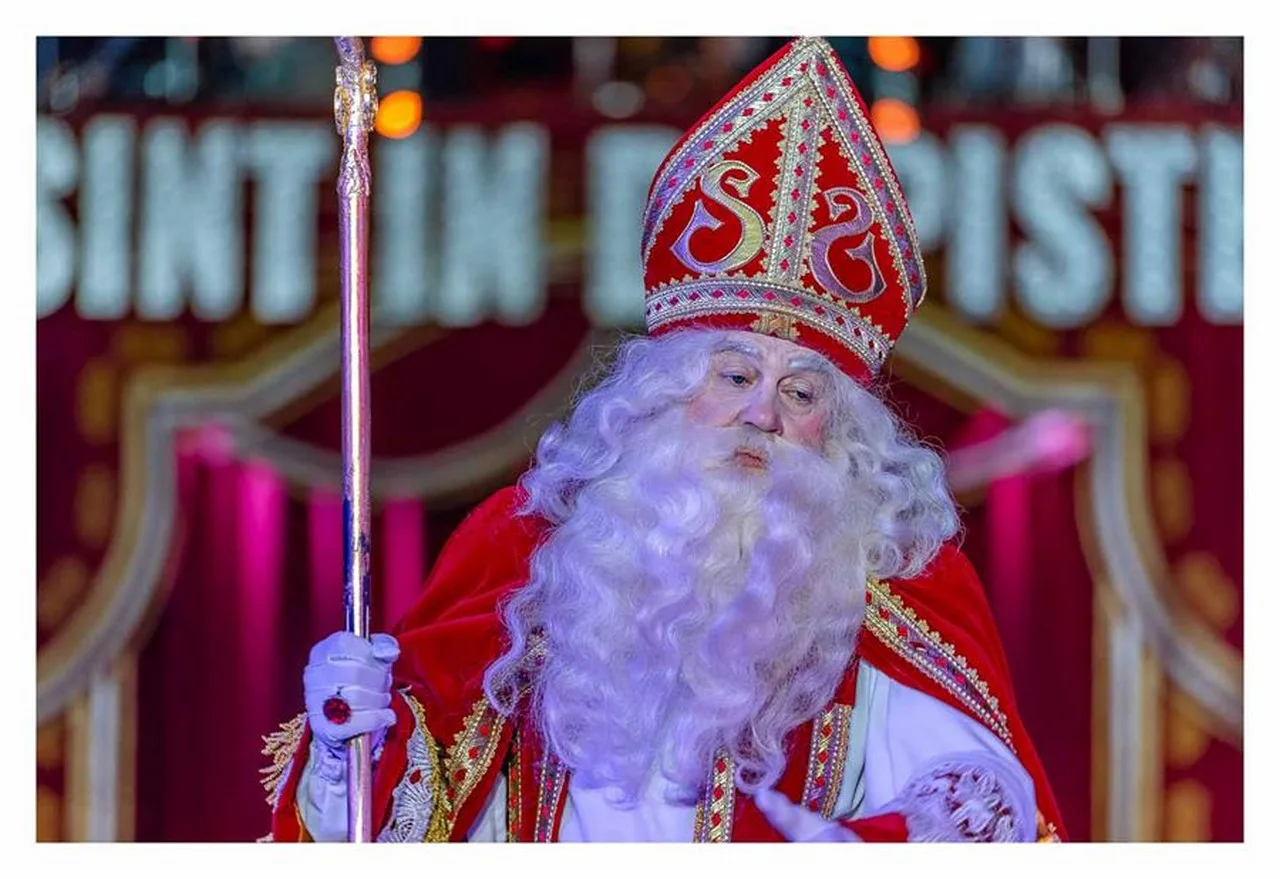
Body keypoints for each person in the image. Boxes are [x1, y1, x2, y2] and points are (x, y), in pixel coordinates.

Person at [261, 35, 1066, 843]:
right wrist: (346, 749)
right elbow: (397, 817)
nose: (764, 414)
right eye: (734, 375)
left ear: (839, 433)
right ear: (664, 393)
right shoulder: (539, 555)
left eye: (801, 391)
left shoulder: (889, 589)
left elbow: (994, 812)